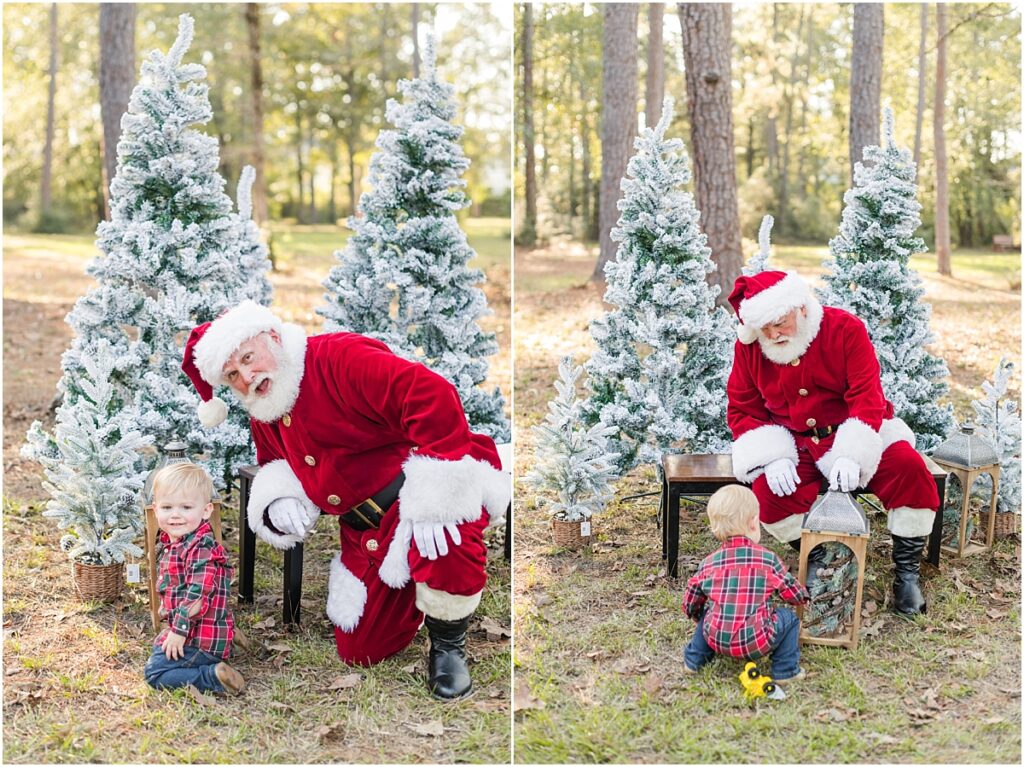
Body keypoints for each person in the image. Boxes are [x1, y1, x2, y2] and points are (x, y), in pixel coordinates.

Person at [180, 301, 509, 700]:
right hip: (364, 531)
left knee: (442, 534)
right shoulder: (266, 407)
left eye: (249, 358)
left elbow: (431, 393)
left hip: (416, 493)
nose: (248, 376)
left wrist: (438, 491)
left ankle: (448, 646)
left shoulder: (339, 358)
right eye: (233, 375)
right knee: (362, 650)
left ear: (273, 338)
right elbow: (275, 463)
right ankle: (415, 592)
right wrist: (280, 496)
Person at [726, 269, 940, 616]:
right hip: (795, 443)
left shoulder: (844, 329)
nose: (773, 334)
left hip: (857, 427)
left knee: (909, 469)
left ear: (801, 308)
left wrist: (852, 452)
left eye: (780, 323)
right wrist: (773, 456)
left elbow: (867, 396)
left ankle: (907, 573)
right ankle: (823, 558)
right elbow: (742, 408)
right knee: (768, 494)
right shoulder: (750, 347)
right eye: (765, 328)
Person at [682, 485, 809, 687]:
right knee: (791, 619)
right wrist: (803, 596)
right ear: (752, 523)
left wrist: (697, 616)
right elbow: (790, 592)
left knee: (708, 614)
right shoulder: (767, 560)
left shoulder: (708, 563)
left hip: (716, 639)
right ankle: (785, 670)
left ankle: (693, 660)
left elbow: (691, 599)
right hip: (757, 641)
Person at [143, 462, 245, 695]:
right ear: (156, 509)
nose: (176, 515)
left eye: (186, 507)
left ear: (206, 510)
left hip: (199, 637)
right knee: (159, 645)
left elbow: (197, 595)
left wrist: (178, 631)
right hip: (201, 628)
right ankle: (228, 634)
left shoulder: (200, 548)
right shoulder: (181, 542)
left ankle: (212, 676)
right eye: (167, 507)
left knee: (155, 673)